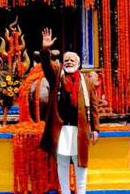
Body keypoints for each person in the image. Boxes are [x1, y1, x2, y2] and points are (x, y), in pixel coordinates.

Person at [39, 28, 100, 194]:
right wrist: (46, 50)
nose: (69, 62)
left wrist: (95, 128)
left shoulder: (86, 82)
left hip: (80, 129)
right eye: (66, 60)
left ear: (78, 63)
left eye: (72, 60)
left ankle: (81, 192)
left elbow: (93, 106)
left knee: (81, 164)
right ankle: (65, 192)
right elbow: (46, 65)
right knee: (63, 164)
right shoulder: (56, 75)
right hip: (61, 129)